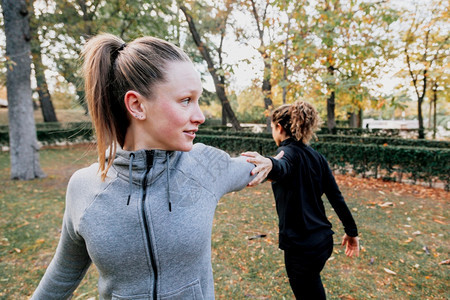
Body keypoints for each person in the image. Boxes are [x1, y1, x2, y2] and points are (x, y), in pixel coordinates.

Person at [31, 33, 272, 300]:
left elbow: (252, 167)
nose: (200, 116)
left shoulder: (205, 164)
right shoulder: (83, 187)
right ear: (137, 105)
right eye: (185, 100)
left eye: (198, 100)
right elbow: (63, 274)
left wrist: (274, 163)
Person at [243, 101, 359, 299]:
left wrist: (271, 162)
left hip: (302, 248)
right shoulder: (318, 157)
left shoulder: (285, 153)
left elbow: (282, 165)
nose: (273, 132)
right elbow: (336, 198)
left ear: (279, 128)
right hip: (323, 241)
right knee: (312, 287)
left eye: (272, 128)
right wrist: (352, 232)